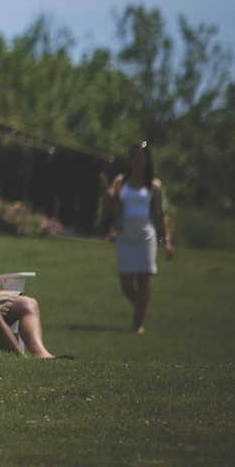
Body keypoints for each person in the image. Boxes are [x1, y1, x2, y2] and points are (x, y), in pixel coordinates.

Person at [105, 140, 171, 333]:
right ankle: (141, 309)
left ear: (147, 160)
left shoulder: (154, 184)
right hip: (125, 232)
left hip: (146, 234)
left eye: (139, 156)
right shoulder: (120, 181)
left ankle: (138, 324)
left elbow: (160, 213)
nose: (136, 159)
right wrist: (108, 198)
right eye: (133, 156)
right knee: (126, 282)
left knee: (143, 280)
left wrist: (166, 240)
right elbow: (110, 211)